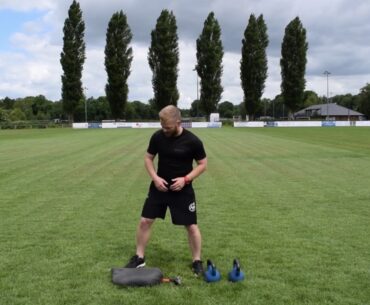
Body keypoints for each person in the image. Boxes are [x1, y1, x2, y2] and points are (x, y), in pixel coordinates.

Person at [124, 105, 207, 276]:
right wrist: (155, 177)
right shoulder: (158, 137)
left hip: (182, 190)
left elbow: (203, 164)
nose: (164, 129)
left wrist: (186, 179)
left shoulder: (193, 141)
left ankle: (197, 261)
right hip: (159, 187)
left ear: (178, 122)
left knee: (191, 226)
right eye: (162, 126)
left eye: (167, 127)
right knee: (145, 221)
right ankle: (139, 257)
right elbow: (148, 158)